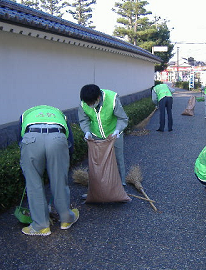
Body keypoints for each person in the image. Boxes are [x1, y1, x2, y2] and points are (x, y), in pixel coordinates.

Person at [19, 105, 79, 236]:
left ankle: (41, 226)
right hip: (57, 137)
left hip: (31, 139)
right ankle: (66, 220)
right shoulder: (60, 114)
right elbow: (70, 142)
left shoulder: (25, 115)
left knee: (33, 183)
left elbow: (20, 139)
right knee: (59, 181)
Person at [78, 84, 129, 185]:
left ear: (98, 97)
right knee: (98, 161)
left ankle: (120, 184)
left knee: (117, 159)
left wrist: (117, 130)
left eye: (91, 103)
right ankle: (101, 186)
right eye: (87, 103)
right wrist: (87, 131)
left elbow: (122, 118)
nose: (90, 105)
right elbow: (84, 120)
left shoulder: (112, 99)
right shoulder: (84, 103)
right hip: (96, 134)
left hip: (114, 133)